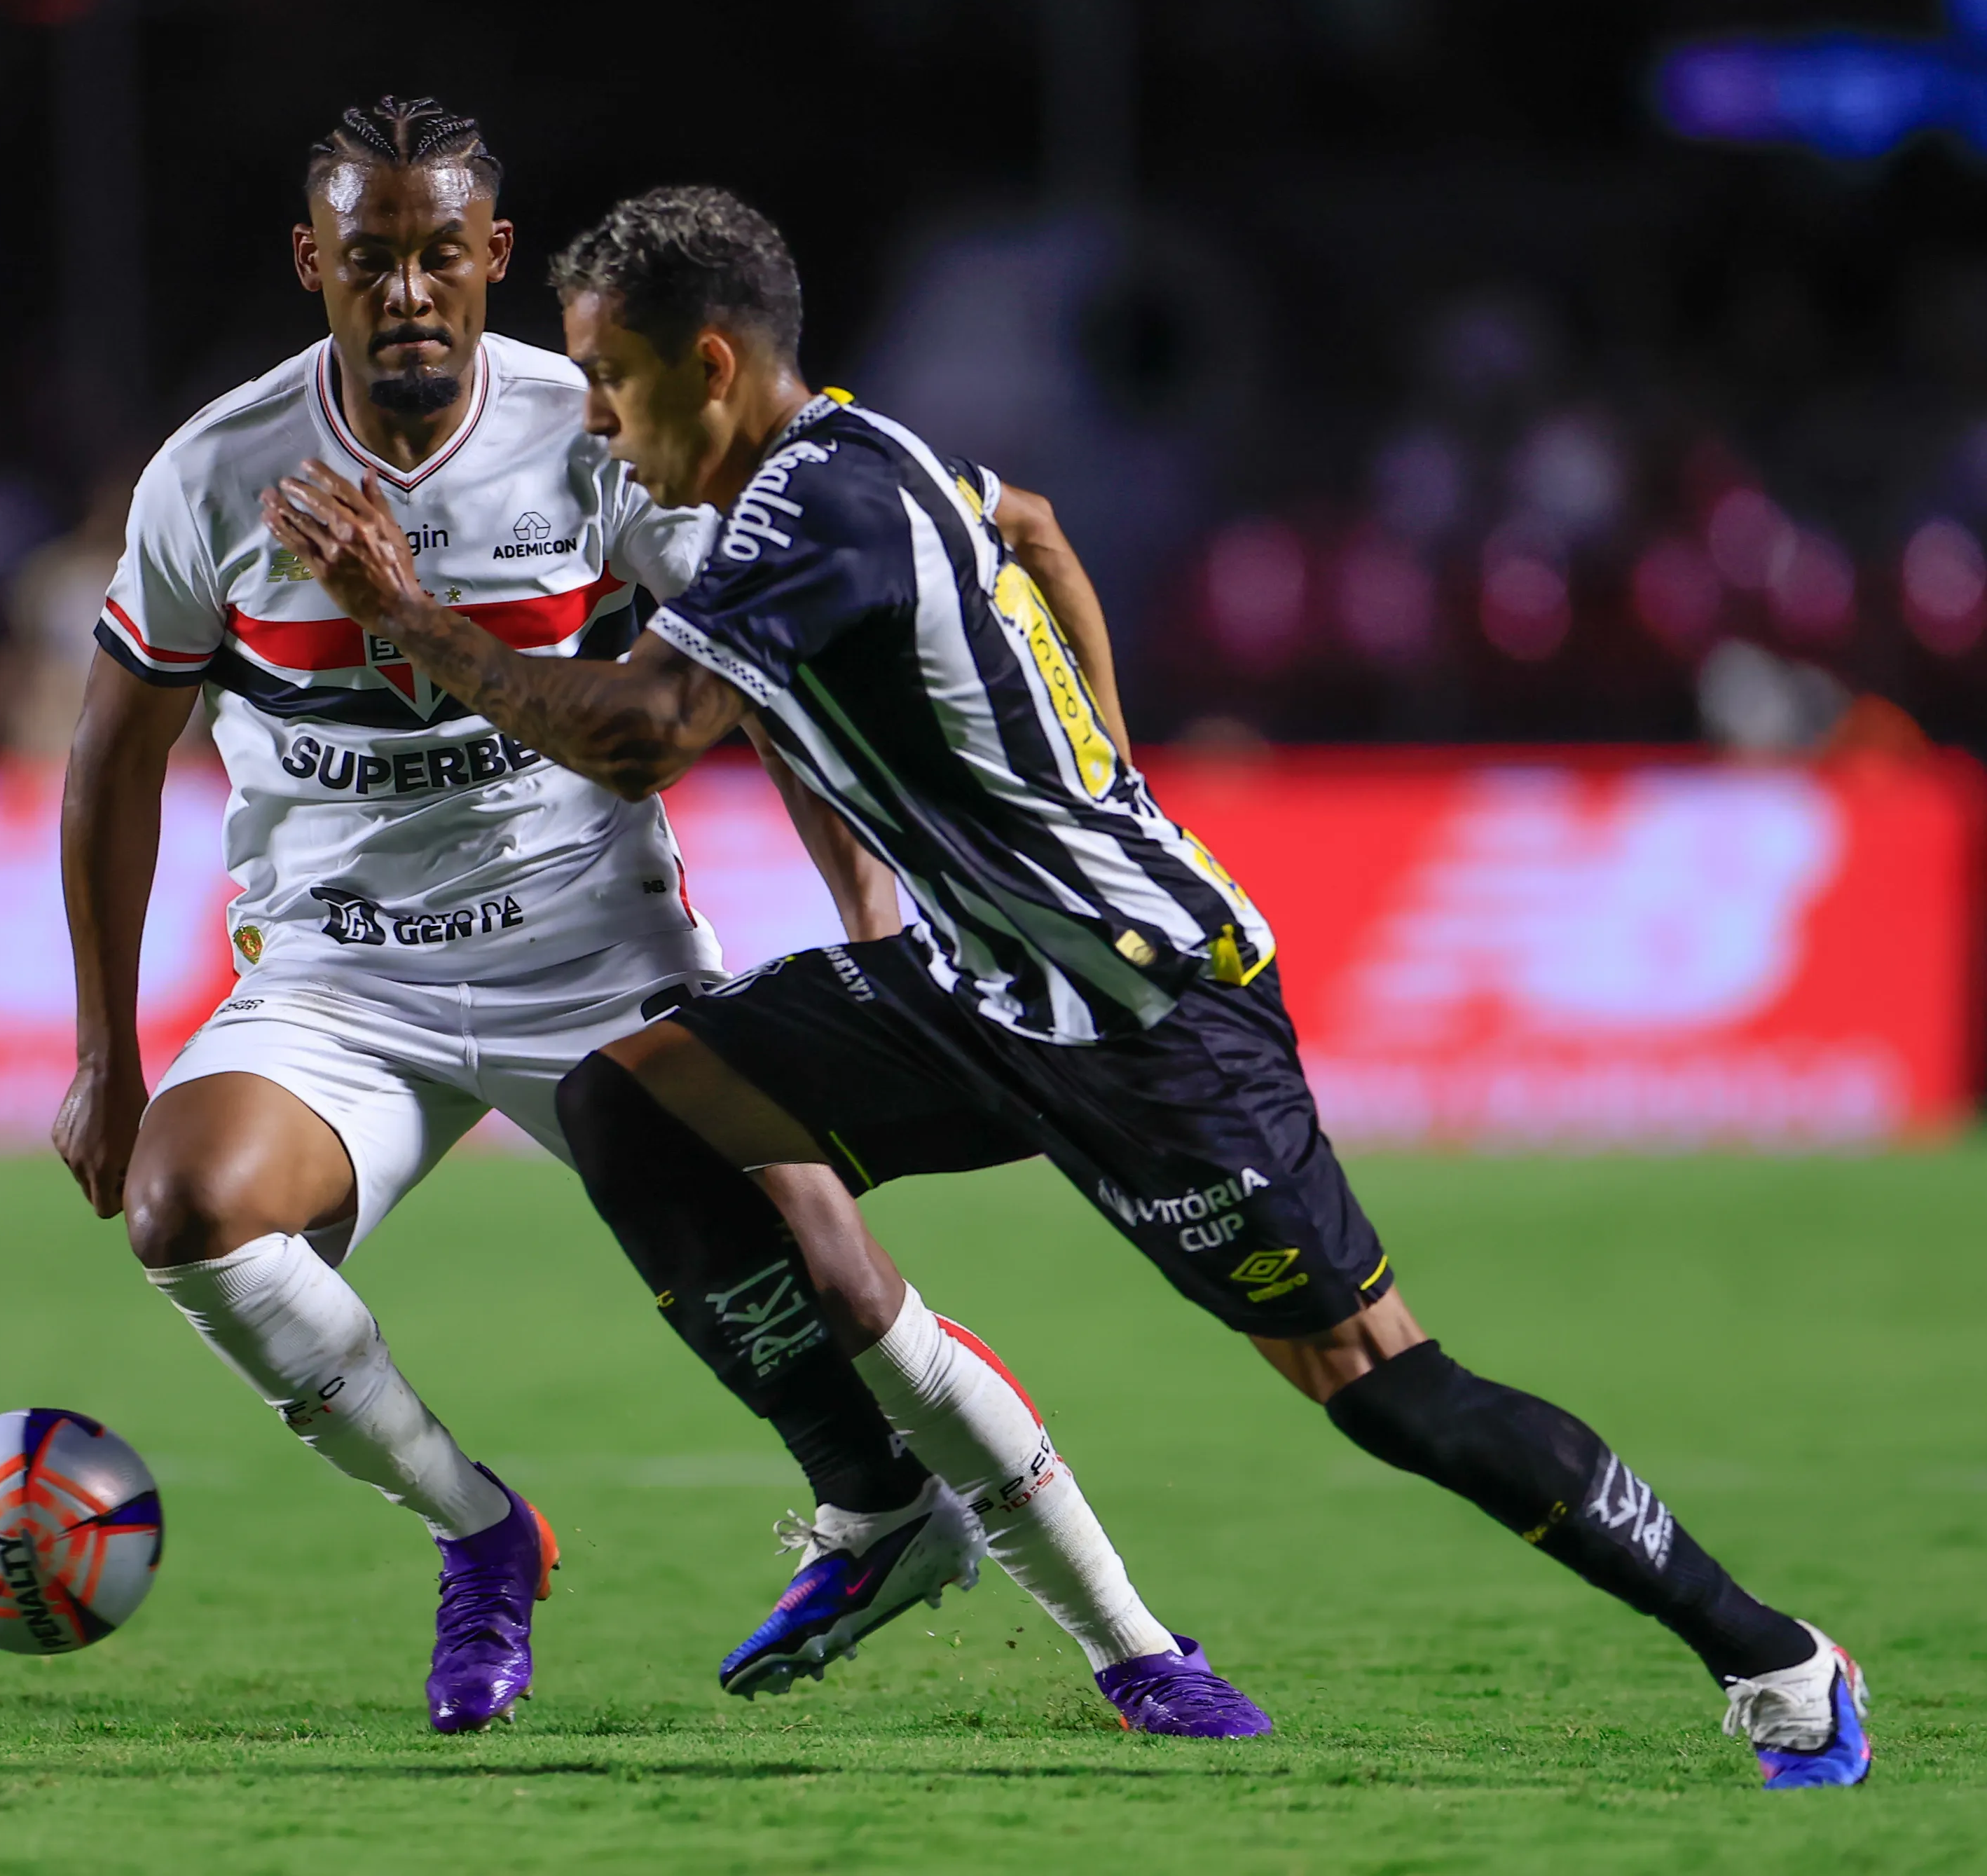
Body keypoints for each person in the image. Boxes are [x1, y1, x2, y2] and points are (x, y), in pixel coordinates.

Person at [259, 185, 1870, 1789]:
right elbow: (1029, 523)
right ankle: (878, 1502)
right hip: (976, 987)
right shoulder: (858, 463)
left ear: (712, 364)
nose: (598, 421)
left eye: (612, 379)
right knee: (632, 1095)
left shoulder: (818, 505)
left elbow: (644, 731)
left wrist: (405, 616)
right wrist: (1099, 767)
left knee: (1376, 1383)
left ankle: (1778, 1658)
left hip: (1151, 1023)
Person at [58, 102, 1261, 1737]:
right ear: (311, 266)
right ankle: (482, 1535)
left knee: (840, 1274)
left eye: (436, 255)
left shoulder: (588, 430)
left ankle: (1134, 1642)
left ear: (492, 256)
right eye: (368, 259)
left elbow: (756, 678)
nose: (406, 290)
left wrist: (863, 905)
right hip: (338, 980)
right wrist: (101, 1051)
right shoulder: (216, 472)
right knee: (183, 1208)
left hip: (595, 951)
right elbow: (111, 764)